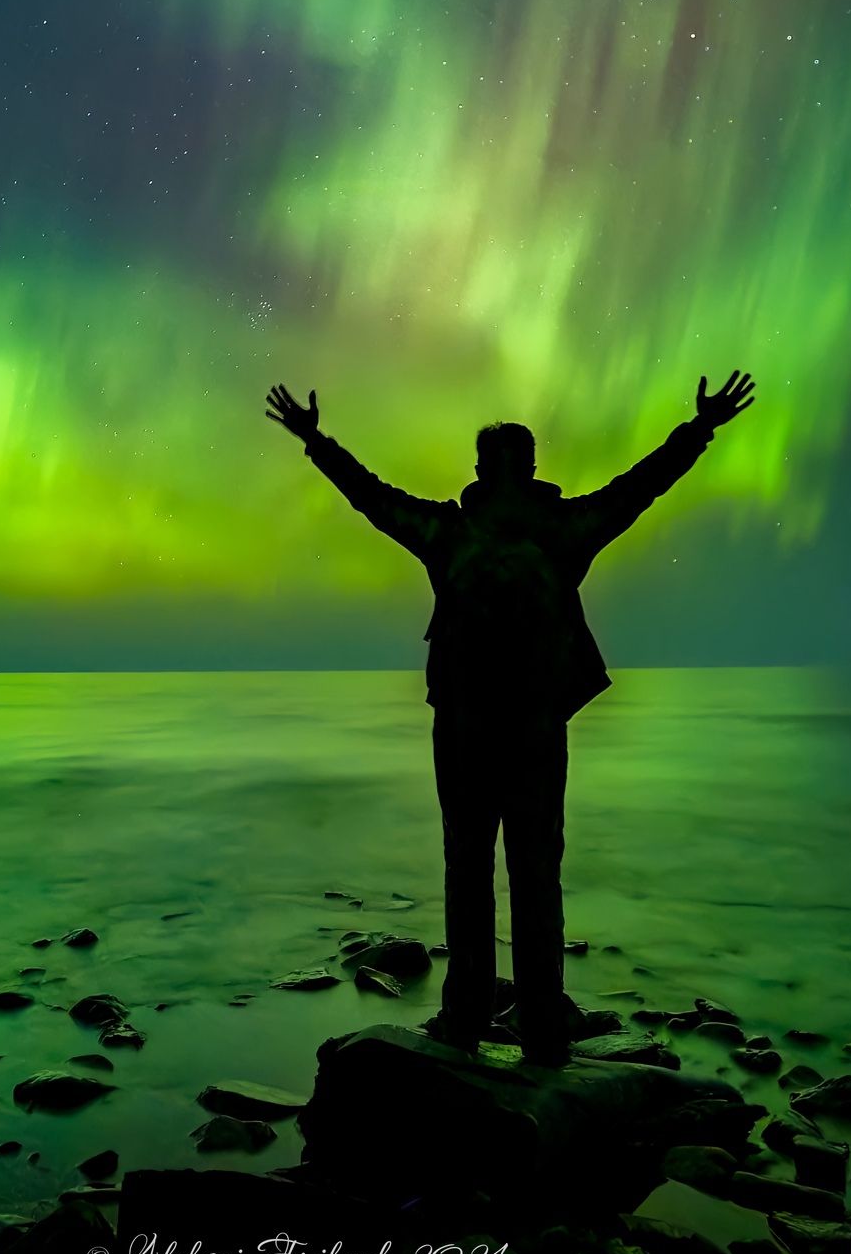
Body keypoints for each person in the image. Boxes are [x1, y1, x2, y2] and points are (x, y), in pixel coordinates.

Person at [264, 371, 757, 1063]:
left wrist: (316, 441)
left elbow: (372, 499)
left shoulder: (457, 531)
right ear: (530, 469)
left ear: (482, 470)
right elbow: (641, 486)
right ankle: (538, 1030)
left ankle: (473, 1019)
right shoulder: (556, 531)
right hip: (525, 731)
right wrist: (699, 429)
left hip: (477, 730)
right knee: (530, 873)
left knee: (473, 870)